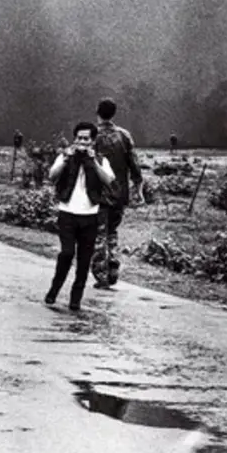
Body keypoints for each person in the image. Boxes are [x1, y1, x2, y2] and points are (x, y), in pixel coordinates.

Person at [45, 122, 115, 311]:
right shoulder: (65, 155)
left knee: (84, 260)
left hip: (90, 216)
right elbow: (52, 175)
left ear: (92, 141)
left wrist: (93, 162)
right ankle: (54, 290)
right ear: (74, 139)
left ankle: (75, 299)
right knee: (67, 253)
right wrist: (66, 159)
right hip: (67, 212)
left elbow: (108, 180)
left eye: (86, 139)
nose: (81, 142)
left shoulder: (100, 160)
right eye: (79, 138)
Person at [91, 98, 143, 289]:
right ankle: (113, 266)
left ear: (97, 112)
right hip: (120, 193)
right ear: (114, 114)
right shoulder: (125, 135)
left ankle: (101, 274)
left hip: (98, 193)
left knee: (98, 233)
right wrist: (138, 188)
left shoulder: (92, 136)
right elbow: (134, 164)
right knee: (112, 231)